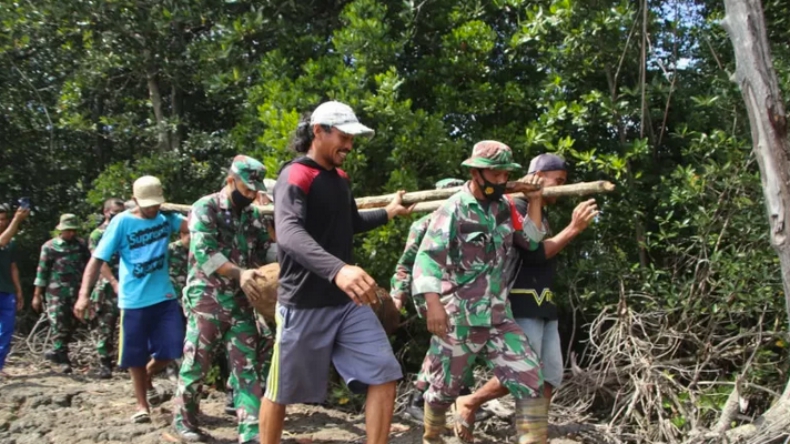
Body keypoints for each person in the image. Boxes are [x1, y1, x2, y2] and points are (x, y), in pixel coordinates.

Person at [260, 100, 414, 444]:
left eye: (352, 138)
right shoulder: (295, 174)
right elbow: (289, 233)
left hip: (346, 305)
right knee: (280, 391)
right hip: (303, 305)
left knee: (384, 373)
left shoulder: (341, 179)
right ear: (319, 131)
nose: (349, 145)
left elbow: (351, 222)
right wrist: (338, 269)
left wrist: (389, 212)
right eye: (343, 136)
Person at [448, 153, 599, 441]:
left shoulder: (535, 207)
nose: (560, 186)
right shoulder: (512, 205)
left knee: (550, 375)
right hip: (519, 299)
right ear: (538, 177)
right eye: (558, 181)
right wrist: (574, 228)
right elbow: (536, 251)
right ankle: (469, 402)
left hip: (544, 303)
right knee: (520, 369)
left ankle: (532, 434)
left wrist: (541, 205)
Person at [412, 140, 549, 444]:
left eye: (505, 175)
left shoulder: (504, 207)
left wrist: (535, 200)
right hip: (459, 317)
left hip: (499, 317)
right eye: (495, 174)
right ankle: (432, 438)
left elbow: (532, 241)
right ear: (476, 172)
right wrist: (433, 306)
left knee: (530, 378)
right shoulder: (454, 208)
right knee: (441, 391)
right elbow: (427, 259)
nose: (501, 181)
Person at [173, 155, 274, 444]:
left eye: (255, 190)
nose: (252, 195)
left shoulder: (253, 214)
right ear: (231, 180)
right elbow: (204, 254)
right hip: (207, 299)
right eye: (246, 189)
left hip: (241, 302)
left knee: (247, 366)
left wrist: (289, 257)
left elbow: (265, 250)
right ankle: (184, 421)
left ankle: (251, 431)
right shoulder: (205, 207)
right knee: (197, 363)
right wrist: (239, 273)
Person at [74, 175, 188, 424]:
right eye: (147, 204)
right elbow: (96, 261)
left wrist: (188, 227)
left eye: (156, 204)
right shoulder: (121, 223)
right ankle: (141, 405)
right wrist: (83, 295)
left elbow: (193, 228)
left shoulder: (166, 218)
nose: (152, 209)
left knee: (174, 346)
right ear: (135, 200)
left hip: (164, 297)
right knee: (134, 355)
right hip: (133, 300)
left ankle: (150, 372)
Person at [389, 178, 492, 423]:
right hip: (432, 292)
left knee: (460, 342)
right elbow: (404, 266)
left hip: (462, 294)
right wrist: (397, 297)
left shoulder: (471, 223)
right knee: (448, 337)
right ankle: (417, 400)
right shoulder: (424, 224)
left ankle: (459, 398)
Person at [32, 213, 90, 374]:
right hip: (56, 293)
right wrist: (37, 295)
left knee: (73, 323)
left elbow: (89, 267)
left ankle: (56, 351)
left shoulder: (81, 246)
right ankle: (63, 359)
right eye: (68, 230)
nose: (71, 233)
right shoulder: (50, 247)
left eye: (73, 230)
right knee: (59, 323)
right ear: (60, 230)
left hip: (77, 292)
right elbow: (41, 273)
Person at [88, 198, 125, 379]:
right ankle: (105, 364)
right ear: (105, 212)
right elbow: (99, 262)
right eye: (114, 212)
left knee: (129, 326)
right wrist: (113, 282)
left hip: (129, 285)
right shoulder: (97, 234)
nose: (117, 216)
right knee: (105, 327)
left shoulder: (125, 230)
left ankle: (126, 362)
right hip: (107, 288)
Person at [0, 204, 29, 378]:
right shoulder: (5, 240)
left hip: (6, 291)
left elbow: (13, 267)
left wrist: (18, 291)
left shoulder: (12, 243)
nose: (1, 222)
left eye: (4, 219)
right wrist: (17, 220)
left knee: (5, 331)